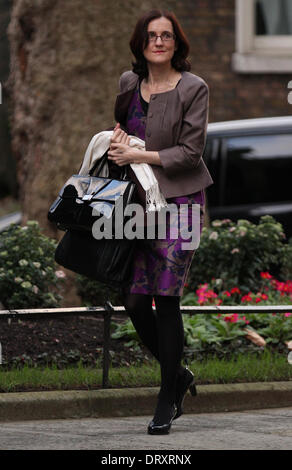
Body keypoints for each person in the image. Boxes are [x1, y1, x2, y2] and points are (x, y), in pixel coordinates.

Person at [107, 9, 213, 435]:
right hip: (138, 201)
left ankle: (166, 397)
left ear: (176, 43)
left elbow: (190, 152)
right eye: (151, 35)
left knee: (166, 299)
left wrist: (140, 155)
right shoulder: (128, 83)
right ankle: (180, 375)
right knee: (133, 301)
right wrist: (117, 143)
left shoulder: (194, 87)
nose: (159, 41)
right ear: (141, 43)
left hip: (181, 201)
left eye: (166, 35)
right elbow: (122, 126)